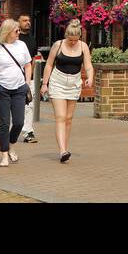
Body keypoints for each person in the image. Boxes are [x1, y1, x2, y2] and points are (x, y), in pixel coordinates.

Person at [39, 19, 94, 164]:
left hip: (74, 83)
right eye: (70, 40)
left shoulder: (83, 47)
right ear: (66, 36)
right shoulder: (58, 45)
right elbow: (49, 64)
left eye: (76, 40)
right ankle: (62, 150)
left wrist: (90, 77)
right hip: (58, 81)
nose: (73, 43)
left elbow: (88, 65)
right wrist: (45, 83)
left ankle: (65, 147)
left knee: (68, 119)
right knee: (60, 116)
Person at [0, 19, 33, 168]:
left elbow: (28, 65)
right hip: (2, 90)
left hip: (19, 89)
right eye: (16, 31)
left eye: (19, 30)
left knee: (19, 122)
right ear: (7, 32)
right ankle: (4, 154)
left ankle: (11, 144)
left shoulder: (22, 46)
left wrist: (27, 83)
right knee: (4, 123)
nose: (19, 33)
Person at [0, 15, 39, 144]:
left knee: (28, 105)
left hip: (25, 80)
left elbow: (32, 60)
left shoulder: (30, 41)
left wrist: (28, 79)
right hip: (6, 83)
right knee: (6, 109)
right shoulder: (2, 44)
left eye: (29, 20)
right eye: (24, 21)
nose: (28, 23)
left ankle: (28, 131)